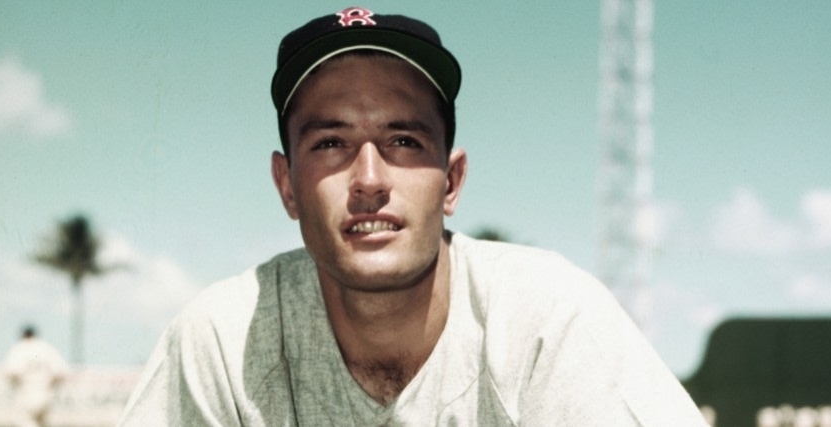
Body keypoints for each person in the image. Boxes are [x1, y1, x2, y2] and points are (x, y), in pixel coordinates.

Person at [119, 6, 704, 426]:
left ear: (450, 181)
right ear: (287, 185)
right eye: (329, 144)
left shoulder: (545, 321)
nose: (369, 179)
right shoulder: (222, 340)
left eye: (403, 141)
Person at [4, 325, 68, 427]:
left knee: (24, 421)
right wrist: (50, 383)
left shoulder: (20, 348)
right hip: (46, 395)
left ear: (23, 335)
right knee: (43, 423)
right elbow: (61, 372)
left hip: (26, 394)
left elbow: (12, 372)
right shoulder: (46, 348)